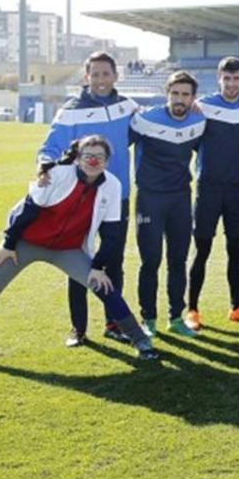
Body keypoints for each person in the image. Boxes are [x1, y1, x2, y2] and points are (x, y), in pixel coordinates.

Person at [0, 136, 156, 360]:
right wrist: (8, 245)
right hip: (25, 245)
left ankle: (140, 341)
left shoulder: (112, 185)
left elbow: (111, 233)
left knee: (105, 288)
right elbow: (28, 211)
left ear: (107, 160)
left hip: (69, 249)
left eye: (99, 156)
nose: (93, 161)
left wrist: (97, 267)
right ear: (77, 157)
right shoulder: (56, 174)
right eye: (88, 155)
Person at [38, 51, 138, 347]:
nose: (100, 79)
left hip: (117, 197)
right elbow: (51, 146)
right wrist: (43, 167)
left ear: (115, 76)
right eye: (94, 74)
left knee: (113, 262)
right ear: (86, 77)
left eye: (106, 73)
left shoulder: (127, 107)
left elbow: (153, 126)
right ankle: (78, 329)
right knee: (78, 262)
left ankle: (114, 323)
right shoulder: (70, 110)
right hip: (81, 198)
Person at [131, 70, 206, 336]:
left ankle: (176, 318)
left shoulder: (199, 120)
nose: (179, 99)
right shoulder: (144, 119)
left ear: (193, 98)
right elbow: (117, 142)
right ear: (167, 94)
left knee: (178, 260)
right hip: (149, 198)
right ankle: (147, 319)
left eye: (185, 94)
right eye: (175, 93)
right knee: (150, 261)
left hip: (180, 199)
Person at [186, 56, 239, 329]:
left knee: (236, 250)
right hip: (208, 188)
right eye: (226, 78)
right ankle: (192, 309)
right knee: (202, 249)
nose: (231, 84)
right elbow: (192, 140)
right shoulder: (203, 107)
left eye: (236, 78)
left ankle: (237, 307)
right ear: (219, 79)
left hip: (238, 188)